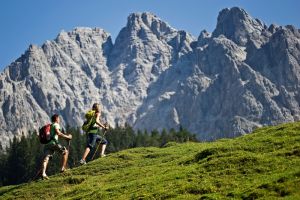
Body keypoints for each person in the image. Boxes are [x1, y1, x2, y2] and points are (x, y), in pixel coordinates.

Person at [41, 114, 72, 180]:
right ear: (57, 119)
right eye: (59, 118)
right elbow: (58, 133)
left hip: (47, 144)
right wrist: (67, 137)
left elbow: (54, 135)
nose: (59, 120)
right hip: (53, 143)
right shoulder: (56, 124)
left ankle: (43, 173)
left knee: (46, 158)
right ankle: (63, 168)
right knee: (65, 152)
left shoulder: (50, 126)